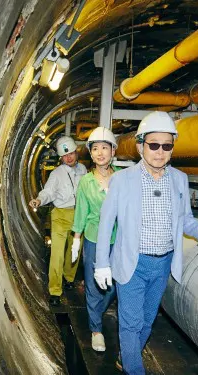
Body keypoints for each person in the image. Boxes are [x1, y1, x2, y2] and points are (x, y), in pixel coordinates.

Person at [94, 111, 198, 375]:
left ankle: (127, 356)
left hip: (162, 265)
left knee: (147, 322)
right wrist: (101, 263)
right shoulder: (122, 181)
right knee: (131, 324)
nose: (160, 152)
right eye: (154, 145)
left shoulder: (180, 179)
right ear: (140, 146)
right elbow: (105, 223)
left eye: (167, 146)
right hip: (132, 264)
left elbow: (184, 220)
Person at [70, 127, 120, 352]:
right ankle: (96, 330)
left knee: (113, 284)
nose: (100, 153)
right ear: (91, 154)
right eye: (96, 149)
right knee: (92, 284)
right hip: (92, 237)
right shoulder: (86, 182)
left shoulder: (121, 178)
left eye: (105, 148)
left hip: (116, 239)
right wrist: (76, 239)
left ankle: (96, 312)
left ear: (113, 151)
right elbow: (81, 210)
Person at [29, 135, 87, 306]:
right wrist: (39, 200)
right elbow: (48, 192)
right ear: (61, 158)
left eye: (71, 154)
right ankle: (55, 290)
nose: (69, 158)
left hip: (79, 215)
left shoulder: (83, 170)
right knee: (57, 253)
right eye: (65, 156)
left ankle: (69, 278)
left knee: (74, 250)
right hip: (61, 215)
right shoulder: (56, 174)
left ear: (76, 153)